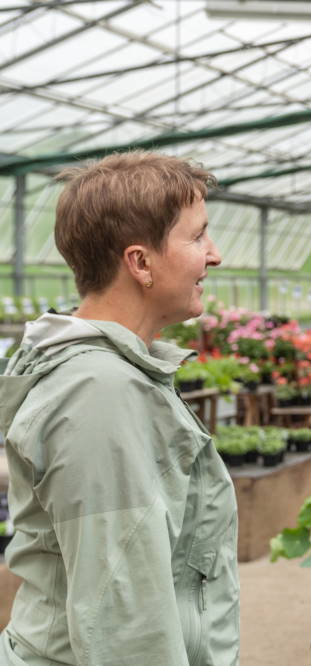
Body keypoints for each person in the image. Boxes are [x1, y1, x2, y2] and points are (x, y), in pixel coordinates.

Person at [0, 152, 238, 665]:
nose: (214, 254)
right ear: (140, 262)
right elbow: (125, 621)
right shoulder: (99, 393)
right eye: (197, 236)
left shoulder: (114, 373)